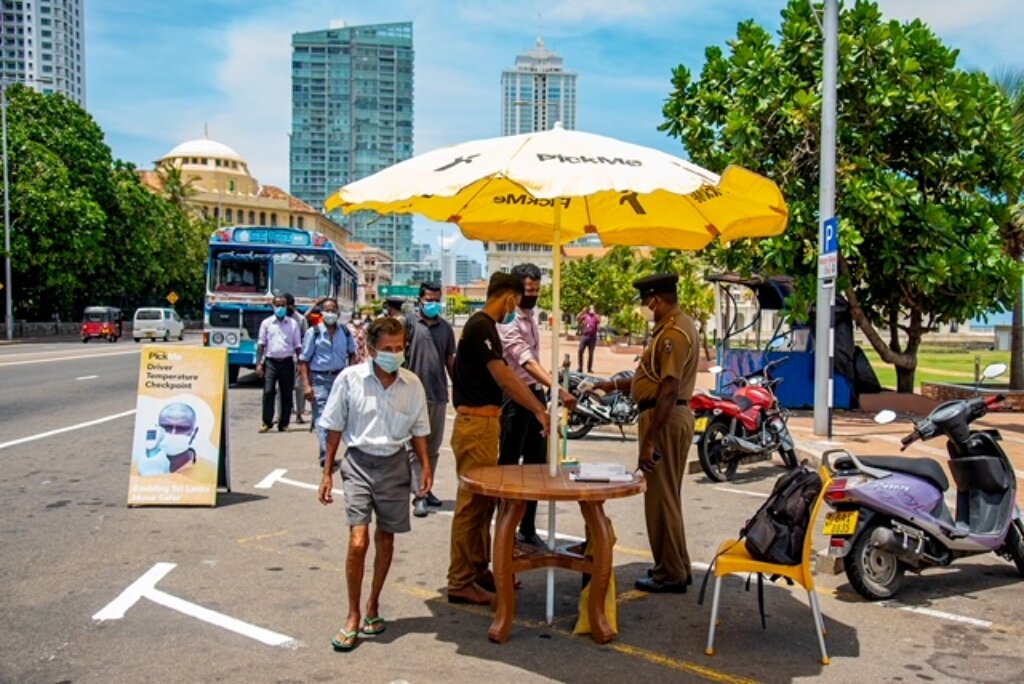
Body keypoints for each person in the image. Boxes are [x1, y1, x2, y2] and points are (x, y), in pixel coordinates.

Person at [317, 317, 433, 652]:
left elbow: (420, 430)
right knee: (358, 541)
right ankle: (352, 615)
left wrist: (424, 467)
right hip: (357, 465)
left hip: (395, 465)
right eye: (387, 349)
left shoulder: (412, 384)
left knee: (386, 539)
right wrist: (327, 472)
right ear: (370, 349)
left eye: (399, 348)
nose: (394, 354)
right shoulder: (350, 379)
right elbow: (334, 426)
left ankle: (373, 605)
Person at [446, 272, 551, 605]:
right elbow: (505, 377)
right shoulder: (481, 326)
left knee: (484, 503)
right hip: (475, 424)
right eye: (516, 301)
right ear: (508, 298)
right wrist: (538, 408)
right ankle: (460, 579)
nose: (516, 308)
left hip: (485, 423)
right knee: (472, 504)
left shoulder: (484, 328)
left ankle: (477, 570)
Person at [590, 273, 698, 593]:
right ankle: (677, 566)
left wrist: (650, 440)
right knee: (667, 498)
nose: (642, 308)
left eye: (644, 302)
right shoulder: (669, 328)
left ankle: (670, 574)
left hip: (663, 418)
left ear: (656, 299)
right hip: (665, 415)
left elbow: (667, 388)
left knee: (659, 500)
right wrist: (611, 385)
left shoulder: (673, 334)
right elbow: (648, 376)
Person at [497, 263, 576, 545]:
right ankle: (504, 529)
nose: (534, 295)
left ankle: (528, 529)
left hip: (534, 394)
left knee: (537, 465)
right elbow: (525, 360)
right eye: (529, 290)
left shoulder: (530, 316)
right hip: (513, 397)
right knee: (508, 465)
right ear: (516, 289)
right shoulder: (507, 320)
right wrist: (557, 388)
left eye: (537, 290)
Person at [403, 282, 456, 518]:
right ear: (420, 300)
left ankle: (426, 487)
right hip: (412, 395)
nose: (433, 303)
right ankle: (419, 496)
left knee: (432, 449)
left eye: (437, 299)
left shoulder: (446, 328)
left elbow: (450, 361)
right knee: (415, 447)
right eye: (429, 299)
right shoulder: (410, 323)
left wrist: (460, 389)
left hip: (438, 394)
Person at [299, 297, 357, 467]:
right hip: (320, 379)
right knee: (322, 417)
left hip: (340, 378)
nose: (330, 313)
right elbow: (304, 360)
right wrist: (306, 385)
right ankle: (326, 457)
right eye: (327, 310)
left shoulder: (345, 332)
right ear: (322, 312)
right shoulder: (313, 332)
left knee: (341, 417)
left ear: (338, 312)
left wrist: (351, 373)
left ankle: (330, 453)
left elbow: (352, 354)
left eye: (333, 310)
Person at [256, 294, 303, 433]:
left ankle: (284, 423)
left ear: (287, 306)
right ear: (273, 306)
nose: (280, 308)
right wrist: (259, 364)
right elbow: (261, 344)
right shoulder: (266, 323)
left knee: (287, 393)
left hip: (287, 361)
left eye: (283, 305)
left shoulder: (293, 324)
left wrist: (300, 363)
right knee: (268, 391)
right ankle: (266, 422)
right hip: (271, 362)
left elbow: (298, 345)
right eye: (277, 305)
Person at [285, 293, 310, 425]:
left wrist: (303, 361)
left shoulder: (300, 319)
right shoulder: (274, 320)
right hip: (282, 358)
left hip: (297, 358)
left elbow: (306, 340)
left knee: (299, 387)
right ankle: (282, 414)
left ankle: (299, 414)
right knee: (281, 389)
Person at [577, 304, 601, 373]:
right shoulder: (585, 315)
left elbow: (599, 321)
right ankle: (580, 368)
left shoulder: (596, 316)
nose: (591, 309)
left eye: (592, 308)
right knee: (580, 351)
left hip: (592, 337)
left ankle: (589, 368)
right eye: (590, 308)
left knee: (591, 353)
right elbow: (578, 318)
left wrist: (595, 313)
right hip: (585, 336)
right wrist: (582, 311)